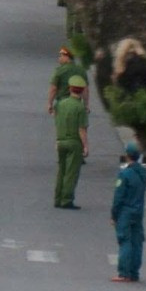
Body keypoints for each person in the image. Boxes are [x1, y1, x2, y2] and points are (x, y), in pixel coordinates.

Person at [110, 142, 146, 282]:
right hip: (138, 210)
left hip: (126, 211)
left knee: (125, 241)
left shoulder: (125, 174)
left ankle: (124, 272)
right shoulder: (143, 173)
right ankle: (134, 272)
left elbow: (118, 197)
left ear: (127, 155)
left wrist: (114, 215)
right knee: (137, 241)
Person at [54, 77, 90, 209]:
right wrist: (85, 146)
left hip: (61, 140)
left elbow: (57, 122)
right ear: (81, 91)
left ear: (70, 89)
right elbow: (82, 129)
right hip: (74, 142)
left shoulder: (61, 104)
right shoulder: (80, 108)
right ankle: (66, 199)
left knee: (61, 171)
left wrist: (57, 139)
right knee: (71, 172)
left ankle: (57, 198)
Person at [46, 46, 83, 115]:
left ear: (67, 57)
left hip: (62, 103)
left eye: (61, 56)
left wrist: (49, 103)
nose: (59, 58)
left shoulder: (59, 71)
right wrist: (86, 105)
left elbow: (53, 88)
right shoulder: (80, 70)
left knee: (62, 124)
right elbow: (85, 89)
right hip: (76, 103)